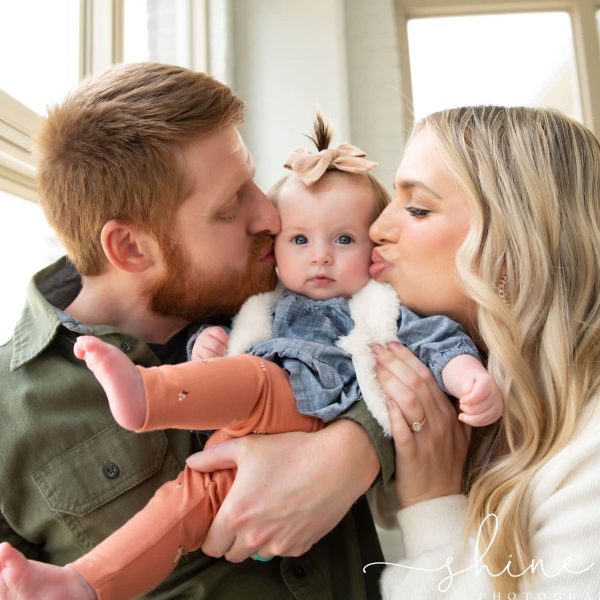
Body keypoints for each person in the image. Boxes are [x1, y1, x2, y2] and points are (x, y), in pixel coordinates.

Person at [0, 113, 503, 599]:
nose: (269, 217)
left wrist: (351, 449)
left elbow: (429, 346)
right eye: (230, 205)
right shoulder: (12, 413)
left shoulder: (289, 279)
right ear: (130, 247)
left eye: (254, 182)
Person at [366, 106, 600, 597]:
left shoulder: (590, 455)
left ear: (511, 251)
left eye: (417, 208)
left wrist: (432, 504)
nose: (377, 229)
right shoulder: (462, 390)